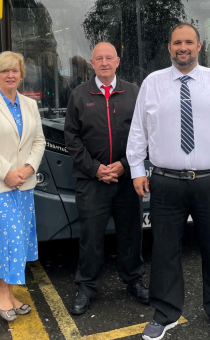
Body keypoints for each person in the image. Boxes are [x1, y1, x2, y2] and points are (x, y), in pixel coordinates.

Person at [126, 22, 210, 340]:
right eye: (177, 43)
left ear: (199, 47)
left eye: (189, 42)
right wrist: (136, 169)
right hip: (165, 181)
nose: (183, 48)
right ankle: (165, 314)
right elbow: (139, 129)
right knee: (165, 250)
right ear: (170, 48)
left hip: (208, 180)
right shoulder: (153, 82)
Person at [64, 42, 148, 315]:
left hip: (126, 180)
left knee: (131, 233)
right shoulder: (79, 94)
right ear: (91, 63)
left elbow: (144, 133)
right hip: (92, 181)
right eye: (99, 58)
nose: (104, 62)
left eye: (108, 58)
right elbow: (72, 139)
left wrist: (125, 166)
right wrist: (96, 168)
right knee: (91, 237)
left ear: (118, 61)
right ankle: (87, 287)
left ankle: (134, 280)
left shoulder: (134, 92)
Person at [0, 51, 45, 321]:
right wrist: (6, 172)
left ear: (21, 74)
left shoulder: (29, 104)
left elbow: (38, 141)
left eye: (14, 70)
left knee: (16, 244)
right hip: (2, 187)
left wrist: (28, 169)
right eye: (5, 70)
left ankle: (9, 294)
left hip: (24, 187)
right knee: (4, 242)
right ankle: (2, 296)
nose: (10, 75)